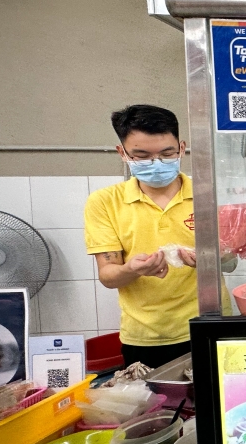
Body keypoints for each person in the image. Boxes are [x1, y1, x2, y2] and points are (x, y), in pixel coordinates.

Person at [84, 105, 229, 369]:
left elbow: (231, 262)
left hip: (209, 324)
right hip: (145, 337)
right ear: (123, 153)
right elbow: (108, 275)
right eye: (142, 155)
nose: (157, 163)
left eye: (167, 153)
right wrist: (133, 269)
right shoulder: (104, 202)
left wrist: (213, 259)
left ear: (181, 148)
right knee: (156, 410)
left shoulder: (209, 195)